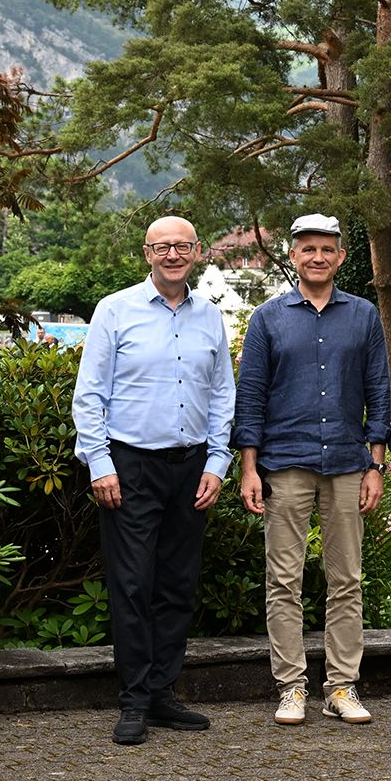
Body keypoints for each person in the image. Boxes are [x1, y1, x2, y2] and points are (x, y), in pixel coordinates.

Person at [72, 215, 235, 746]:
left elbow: (222, 395)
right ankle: (134, 700)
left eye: (182, 246)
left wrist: (217, 463)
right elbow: (89, 394)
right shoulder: (114, 310)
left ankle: (163, 693)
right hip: (131, 467)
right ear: (147, 254)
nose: (172, 255)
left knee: (177, 585)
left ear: (197, 252)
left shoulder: (210, 316)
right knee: (132, 585)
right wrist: (100, 463)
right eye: (162, 247)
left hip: (192, 468)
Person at [234, 214, 389, 727]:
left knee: (347, 580)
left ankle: (341, 686)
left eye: (327, 249)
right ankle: (291, 687)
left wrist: (376, 464)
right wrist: (249, 467)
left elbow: (378, 391)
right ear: (293, 255)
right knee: (284, 580)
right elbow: (250, 396)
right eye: (308, 249)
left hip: (346, 463)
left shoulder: (363, 315)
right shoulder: (267, 319)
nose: (317, 257)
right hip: (285, 463)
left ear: (341, 256)